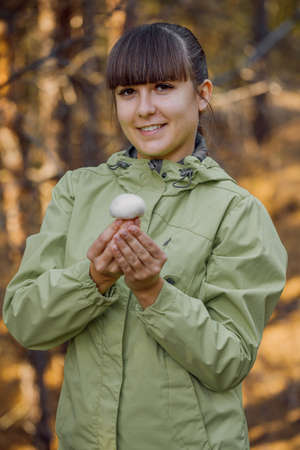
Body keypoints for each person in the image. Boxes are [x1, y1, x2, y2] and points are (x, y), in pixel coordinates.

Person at [3, 22, 287, 450]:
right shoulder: (78, 191)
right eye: (128, 92)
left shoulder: (237, 213)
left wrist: (156, 293)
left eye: (163, 87)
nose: (144, 109)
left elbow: (230, 361)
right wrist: (93, 279)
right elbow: (25, 321)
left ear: (203, 94)